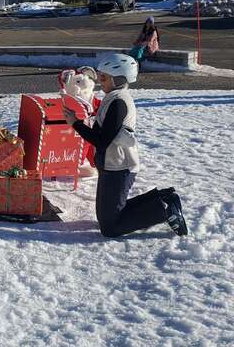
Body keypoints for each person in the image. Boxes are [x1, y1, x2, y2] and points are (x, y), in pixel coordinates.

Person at [62, 54, 187, 238]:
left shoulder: (119, 102)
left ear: (118, 78)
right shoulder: (112, 98)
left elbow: (103, 140)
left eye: (104, 78)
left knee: (110, 227)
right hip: (110, 165)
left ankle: (165, 210)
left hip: (120, 167)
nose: (100, 82)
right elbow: (99, 132)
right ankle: (164, 199)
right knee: (107, 217)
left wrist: (75, 123)